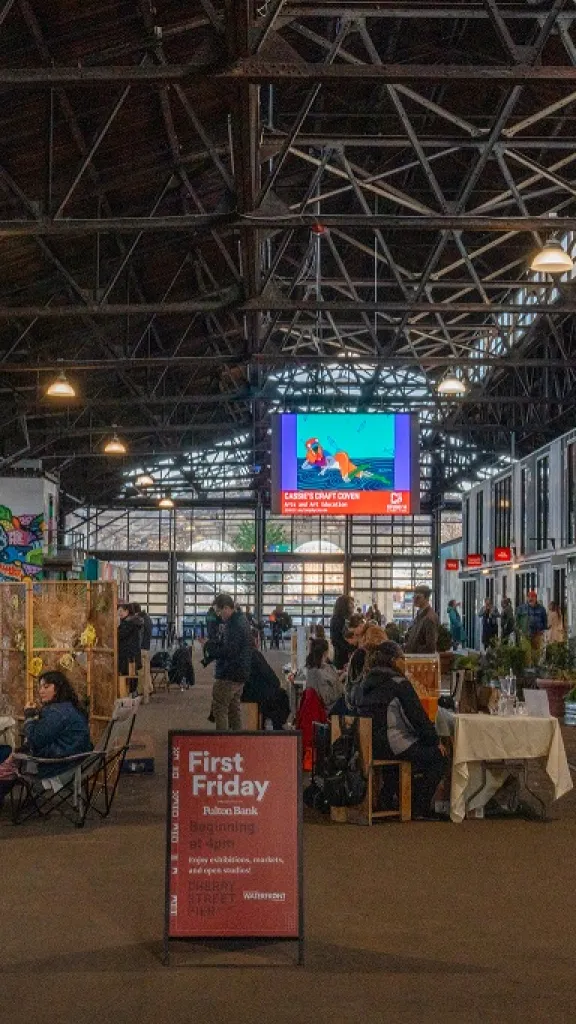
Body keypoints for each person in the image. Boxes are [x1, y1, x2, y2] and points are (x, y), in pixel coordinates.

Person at [354, 642, 447, 819]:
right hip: (392, 744)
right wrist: (435, 742)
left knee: (413, 751)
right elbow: (417, 718)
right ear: (395, 661)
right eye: (403, 659)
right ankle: (418, 807)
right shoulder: (399, 684)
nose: (406, 663)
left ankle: (388, 798)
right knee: (438, 757)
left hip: (367, 745)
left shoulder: (364, 683)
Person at [0, 671, 92, 807]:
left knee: (5, 754)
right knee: (8, 753)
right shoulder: (69, 707)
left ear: (58, 689)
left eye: (46, 687)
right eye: (40, 687)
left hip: (57, 766)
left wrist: (29, 717)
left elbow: (35, 739)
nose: (41, 691)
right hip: (74, 762)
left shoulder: (56, 712)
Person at [209, 593, 252, 731]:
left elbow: (230, 651)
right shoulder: (242, 620)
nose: (219, 615)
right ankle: (236, 741)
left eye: (219, 611)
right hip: (240, 672)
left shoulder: (234, 624)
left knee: (220, 708)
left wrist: (212, 651)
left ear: (227, 608)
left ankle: (223, 742)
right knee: (234, 709)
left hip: (229, 673)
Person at [242, 648, 290, 729]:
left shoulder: (243, 654)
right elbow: (270, 675)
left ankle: (268, 723)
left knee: (273, 695)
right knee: (281, 696)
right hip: (255, 694)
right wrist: (276, 684)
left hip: (247, 691)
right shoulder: (255, 654)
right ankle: (277, 726)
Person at [305, 638, 345, 713]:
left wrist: (338, 673)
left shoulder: (314, 667)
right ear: (325, 653)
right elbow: (327, 699)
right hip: (329, 710)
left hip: (329, 706)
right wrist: (339, 680)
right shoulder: (317, 673)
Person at [404, 585, 439, 654]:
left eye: (418, 597)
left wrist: (413, 650)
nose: (414, 600)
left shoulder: (429, 618)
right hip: (415, 658)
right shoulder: (420, 615)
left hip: (420, 660)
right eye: (414, 597)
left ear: (426, 598)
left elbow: (430, 647)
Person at [130, 601, 153, 704]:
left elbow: (140, 637)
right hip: (147, 649)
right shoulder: (148, 618)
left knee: (141, 675)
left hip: (141, 650)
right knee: (146, 674)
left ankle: (144, 698)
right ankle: (148, 691)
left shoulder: (139, 620)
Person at [516, 590, 548, 654]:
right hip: (525, 634)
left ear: (536, 598)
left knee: (536, 654)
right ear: (527, 598)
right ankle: (527, 664)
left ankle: (535, 664)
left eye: (532, 597)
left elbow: (545, 620)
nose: (530, 598)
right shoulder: (522, 608)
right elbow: (517, 619)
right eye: (529, 597)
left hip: (537, 634)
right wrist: (519, 629)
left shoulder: (541, 609)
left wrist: (543, 630)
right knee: (526, 654)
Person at [330, 594, 355, 669]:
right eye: (351, 604)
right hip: (341, 659)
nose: (353, 606)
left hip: (343, 657)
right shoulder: (337, 620)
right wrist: (351, 648)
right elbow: (336, 640)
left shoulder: (342, 619)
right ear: (344, 606)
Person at [117, 603, 142, 677]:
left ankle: (132, 689)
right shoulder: (132, 621)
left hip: (128, 656)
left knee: (128, 677)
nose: (119, 613)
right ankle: (133, 689)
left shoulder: (128, 623)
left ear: (127, 611)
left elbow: (119, 635)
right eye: (118, 611)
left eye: (121, 611)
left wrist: (116, 627)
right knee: (132, 676)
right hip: (131, 656)